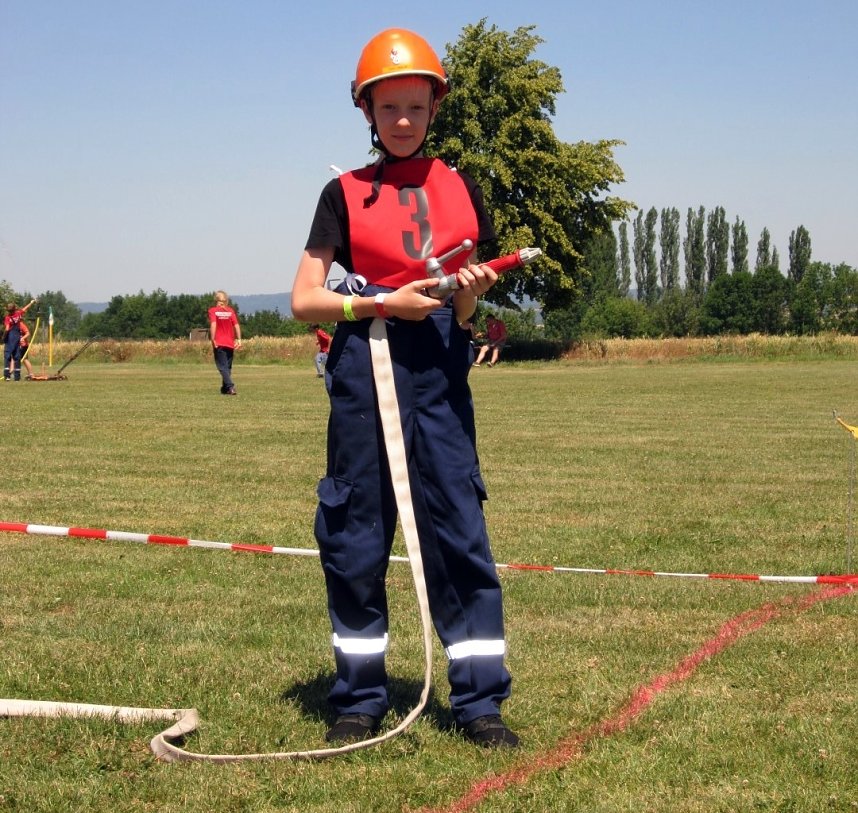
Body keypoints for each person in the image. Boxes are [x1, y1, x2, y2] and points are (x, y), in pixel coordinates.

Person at [291, 28, 518, 749]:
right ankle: (359, 697)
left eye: (414, 107)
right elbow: (304, 298)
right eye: (388, 107)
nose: (402, 121)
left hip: (440, 380)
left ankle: (479, 702)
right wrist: (379, 304)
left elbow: (462, 305)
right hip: (367, 376)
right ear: (367, 111)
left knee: (459, 532)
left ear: (433, 108)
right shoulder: (342, 195)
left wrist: (469, 298)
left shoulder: (459, 188)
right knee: (356, 537)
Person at [208, 291, 241, 395]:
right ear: (226, 301)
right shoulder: (230, 311)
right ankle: (225, 388)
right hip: (229, 343)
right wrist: (239, 339)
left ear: (216, 300)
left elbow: (213, 324)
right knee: (227, 366)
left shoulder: (213, 311)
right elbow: (236, 325)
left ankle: (230, 387)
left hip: (219, 343)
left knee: (222, 367)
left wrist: (213, 339)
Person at [3, 299, 36, 381]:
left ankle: (7, 376)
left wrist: (4, 337)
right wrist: (31, 302)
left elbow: (7, 329)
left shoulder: (7, 318)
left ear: (8, 310)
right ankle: (17, 377)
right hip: (17, 339)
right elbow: (25, 308)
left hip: (10, 339)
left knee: (8, 357)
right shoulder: (18, 314)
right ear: (15, 309)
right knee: (16, 357)